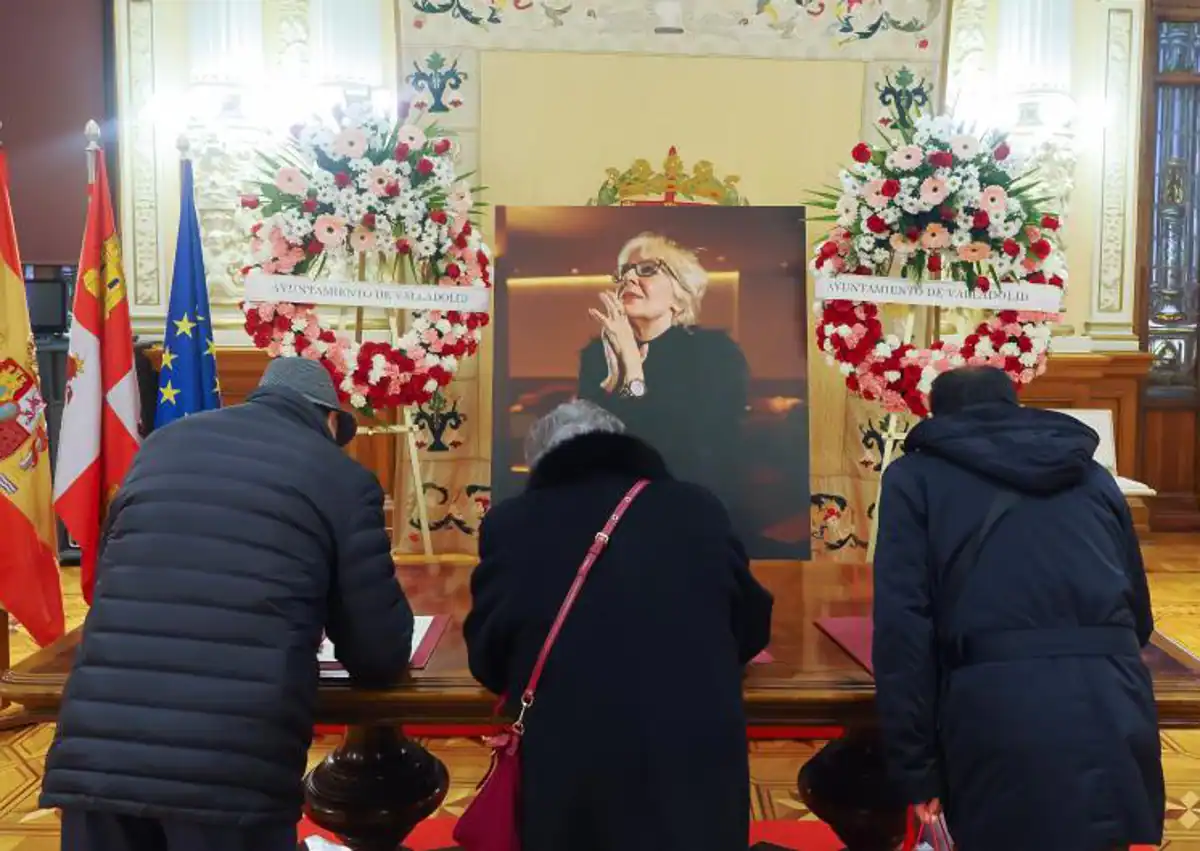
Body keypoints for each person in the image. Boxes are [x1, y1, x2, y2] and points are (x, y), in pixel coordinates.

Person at [41, 357, 415, 851]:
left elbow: (114, 574)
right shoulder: (339, 476)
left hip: (96, 756)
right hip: (228, 770)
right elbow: (379, 652)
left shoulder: (161, 446)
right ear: (329, 419)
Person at [872, 366, 1164, 851]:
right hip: (1113, 709)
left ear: (938, 415)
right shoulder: (1092, 476)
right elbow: (1138, 615)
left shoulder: (914, 477)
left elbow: (904, 631)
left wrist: (917, 769)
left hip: (996, 715)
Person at [465, 399, 773, 851]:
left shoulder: (511, 522)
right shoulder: (698, 507)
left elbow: (490, 659)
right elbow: (750, 626)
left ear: (538, 463)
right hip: (692, 764)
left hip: (572, 771)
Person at [577, 232, 749, 529]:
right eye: (623, 273)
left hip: (691, 510)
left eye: (645, 269)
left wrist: (632, 366)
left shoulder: (716, 353)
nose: (628, 279)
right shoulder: (597, 354)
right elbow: (588, 444)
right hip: (610, 512)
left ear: (680, 292)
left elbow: (683, 448)